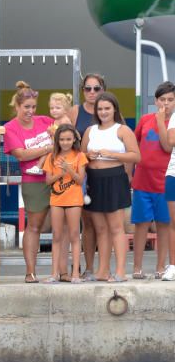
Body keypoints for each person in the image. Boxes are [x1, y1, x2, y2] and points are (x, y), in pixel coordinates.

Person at [82, 92, 140, 282]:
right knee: (100, 228)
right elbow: (81, 157)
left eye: (107, 108)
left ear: (114, 109)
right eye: (100, 109)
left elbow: (136, 156)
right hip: (94, 180)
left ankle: (121, 271)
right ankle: (102, 270)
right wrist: (88, 157)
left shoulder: (122, 130)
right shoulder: (90, 131)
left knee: (116, 227)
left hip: (114, 178)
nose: (103, 112)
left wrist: (111, 154)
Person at [3, 81, 54, 283]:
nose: (31, 111)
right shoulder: (11, 128)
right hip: (34, 180)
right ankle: (30, 271)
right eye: (26, 107)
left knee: (65, 225)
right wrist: (47, 148)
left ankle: (64, 271)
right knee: (34, 225)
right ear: (17, 106)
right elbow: (22, 155)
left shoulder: (45, 121)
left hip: (57, 176)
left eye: (33, 106)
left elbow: (65, 131)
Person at [131, 82, 175, 279]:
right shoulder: (145, 119)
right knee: (140, 224)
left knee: (164, 224)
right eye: (162, 99)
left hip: (163, 182)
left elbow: (167, 148)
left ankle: (160, 266)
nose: (166, 103)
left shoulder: (172, 124)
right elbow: (135, 144)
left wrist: (160, 121)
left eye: (170, 100)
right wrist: (129, 173)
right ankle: (137, 267)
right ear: (156, 101)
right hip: (142, 181)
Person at [70, 74, 108, 277]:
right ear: (82, 90)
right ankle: (89, 268)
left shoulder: (109, 109)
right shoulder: (75, 111)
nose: (92, 92)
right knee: (88, 223)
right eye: (88, 88)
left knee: (104, 223)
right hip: (82, 175)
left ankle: (104, 268)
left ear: (103, 89)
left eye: (96, 88)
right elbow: (65, 141)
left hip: (105, 174)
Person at [42, 125, 88, 283]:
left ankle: (75, 273)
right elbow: (48, 180)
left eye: (68, 139)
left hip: (74, 200)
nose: (65, 142)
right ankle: (54, 273)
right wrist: (60, 173)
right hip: (56, 200)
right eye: (62, 139)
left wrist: (69, 169)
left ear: (74, 139)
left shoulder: (79, 156)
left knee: (75, 235)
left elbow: (81, 180)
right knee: (57, 236)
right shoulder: (52, 157)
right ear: (57, 140)